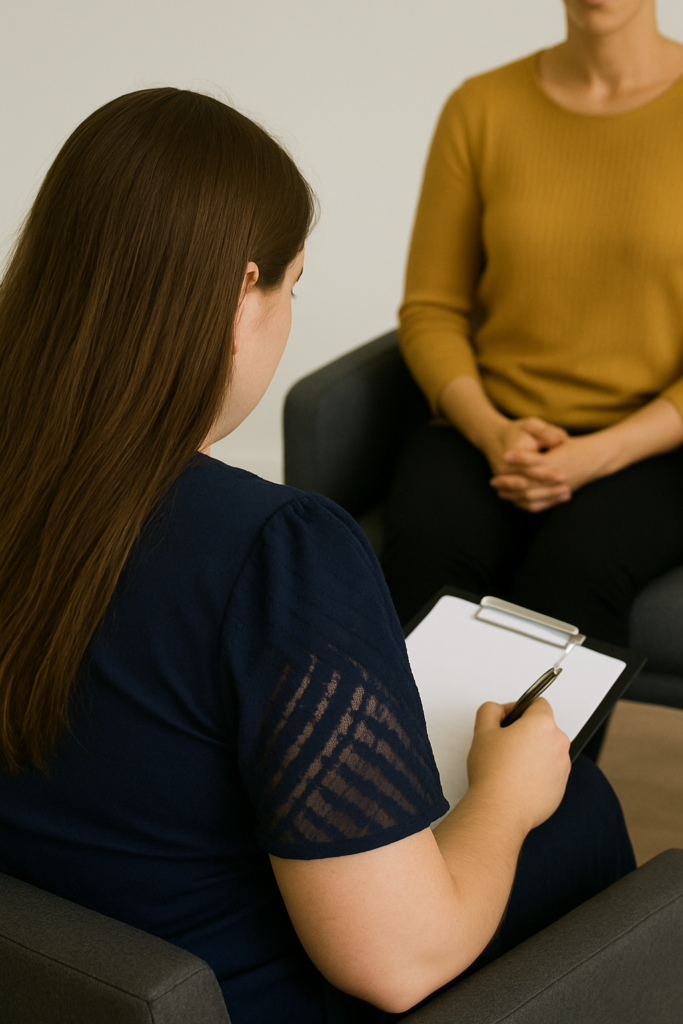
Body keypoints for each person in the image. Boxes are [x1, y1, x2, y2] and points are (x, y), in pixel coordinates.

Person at [0, 88, 633, 1024]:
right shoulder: (273, 550)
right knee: (573, 804)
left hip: (55, 976)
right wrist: (508, 796)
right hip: (245, 995)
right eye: (291, 286)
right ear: (236, 294)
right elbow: (396, 961)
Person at [382, 0, 683, 664]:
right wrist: (491, 432)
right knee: (426, 557)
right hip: (485, 422)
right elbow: (430, 309)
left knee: (573, 575)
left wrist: (594, 455)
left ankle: (538, 773)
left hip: (655, 441)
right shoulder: (481, 106)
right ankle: (405, 768)